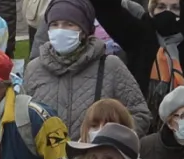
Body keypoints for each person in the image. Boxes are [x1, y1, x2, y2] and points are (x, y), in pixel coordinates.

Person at [23, 0, 153, 135]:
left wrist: (111, 140)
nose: (61, 30)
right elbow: (21, 122)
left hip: (96, 155)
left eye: (69, 24)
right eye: (55, 25)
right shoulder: (34, 70)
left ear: (84, 31)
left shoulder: (110, 67)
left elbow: (141, 114)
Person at [89, 0, 184, 120]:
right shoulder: (140, 36)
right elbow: (108, 9)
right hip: (147, 124)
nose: (168, 13)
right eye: (161, 7)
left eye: (176, 8)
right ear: (152, 10)